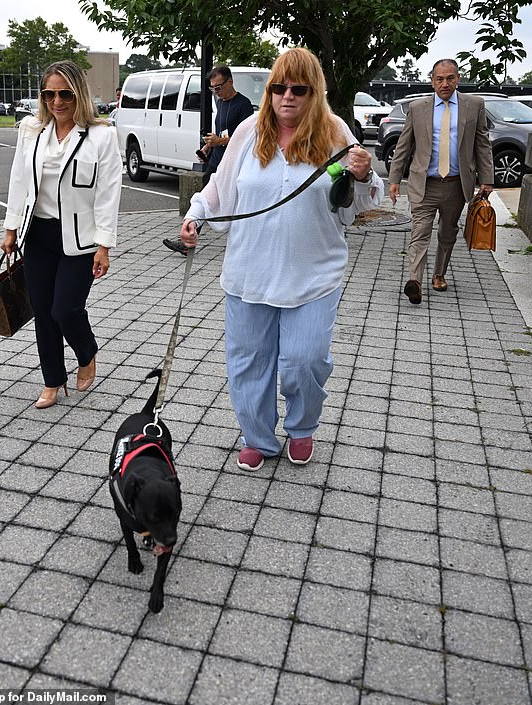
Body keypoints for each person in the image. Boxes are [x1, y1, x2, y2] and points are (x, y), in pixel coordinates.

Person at [179, 47, 383, 471]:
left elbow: (351, 207)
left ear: (315, 93)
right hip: (249, 273)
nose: (287, 96)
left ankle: (303, 426)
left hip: (313, 275)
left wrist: (363, 177)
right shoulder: (249, 131)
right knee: (248, 361)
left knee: (306, 359)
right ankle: (257, 435)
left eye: (299, 89)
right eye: (279, 87)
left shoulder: (335, 133)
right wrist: (195, 215)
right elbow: (222, 185)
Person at [1, 60, 122, 409]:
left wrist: (104, 246)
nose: (57, 101)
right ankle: (53, 380)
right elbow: (20, 183)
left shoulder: (101, 136)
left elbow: (108, 194)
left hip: (80, 239)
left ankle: (86, 353)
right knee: (43, 310)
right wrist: (10, 228)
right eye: (50, 94)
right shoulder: (31, 131)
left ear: (78, 95)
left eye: (65, 93)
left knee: (65, 310)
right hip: (37, 233)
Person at [389, 58, 494, 305]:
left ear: (458, 79)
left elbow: (482, 142)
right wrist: (394, 179)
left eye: (450, 78)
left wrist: (487, 179)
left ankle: (439, 274)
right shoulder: (418, 108)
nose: (445, 83)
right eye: (439, 79)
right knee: (420, 232)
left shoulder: (474, 105)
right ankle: (414, 280)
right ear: (432, 81)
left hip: (457, 184)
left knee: (448, 233)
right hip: (425, 183)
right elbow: (404, 146)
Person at [163, 65, 254, 256]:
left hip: (234, 163)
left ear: (230, 82)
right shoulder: (220, 103)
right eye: (212, 88)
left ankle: (243, 239)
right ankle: (188, 239)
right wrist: (209, 145)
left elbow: (246, 137)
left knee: (236, 200)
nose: (216, 92)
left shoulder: (243, 105)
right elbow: (220, 131)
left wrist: (220, 141)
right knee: (205, 196)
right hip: (216, 159)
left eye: (219, 87)